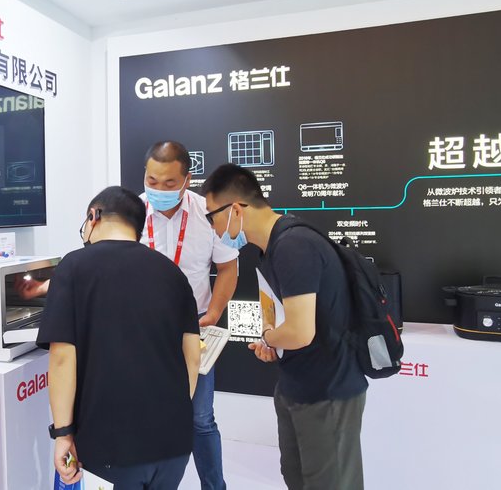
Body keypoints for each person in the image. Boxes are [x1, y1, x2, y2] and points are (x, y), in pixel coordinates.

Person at [200, 163, 368, 490]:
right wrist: (275, 343)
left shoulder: (294, 246)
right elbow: (292, 326)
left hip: (327, 391)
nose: (213, 228)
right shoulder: (273, 248)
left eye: (212, 217)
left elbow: (300, 332)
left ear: (235, 210)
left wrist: (269, 336)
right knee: (297, 477)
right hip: (298, 385)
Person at [36, 186, 201, 490]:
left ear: (93, 216)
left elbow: (61, 359)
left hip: (109, 446)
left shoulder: (73, 267)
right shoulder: (171, 272)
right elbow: (192, 356)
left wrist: (63, 434)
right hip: (173, 443)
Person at [140, 140, 238, 490]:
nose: (159, 189)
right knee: (144, 415)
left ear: (187, 179)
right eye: (152, 181)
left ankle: (214, 486)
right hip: (143, 330)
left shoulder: (207, 213)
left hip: (194, 326)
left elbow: (228, 267)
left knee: (200, 418)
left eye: (169, 183)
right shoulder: (131, 213)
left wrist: (214, 312)